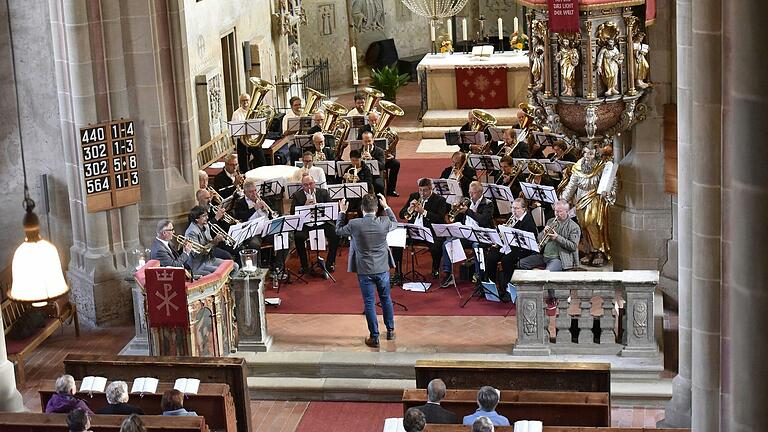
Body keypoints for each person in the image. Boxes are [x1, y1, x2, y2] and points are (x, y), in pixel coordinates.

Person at [336, 193, 398, 348]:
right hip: (382, 268)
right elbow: (395, 222)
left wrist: (342, 211)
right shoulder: (384, 221)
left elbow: (338, 230)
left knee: (369, 303)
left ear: (362, 208)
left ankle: (374, 337)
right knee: (386, 299)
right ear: (377, 208)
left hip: (364, 269)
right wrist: (387, 207)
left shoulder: (355, 224)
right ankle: (390, 331)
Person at [560, 145, 615, 266]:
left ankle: (599, 252)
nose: (587, 156)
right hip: (580, 199)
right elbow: (571, 186)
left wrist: (609, 193)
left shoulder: (601, 166)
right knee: (583, 225)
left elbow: (608, 184)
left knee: (592, 223)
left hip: (595, 198)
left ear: (595, 154)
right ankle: (588, 251)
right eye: (585, 153)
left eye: (590, 154)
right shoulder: (578, 167)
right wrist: (563, 200)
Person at [519, 199, 581, 306]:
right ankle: (532, 290)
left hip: (559, 258)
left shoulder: (573, 226)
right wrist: (543, 232)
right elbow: (539, 240)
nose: (557, 214)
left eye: (560, 211)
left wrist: (557, 237)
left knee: (547, 273)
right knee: (521, 263)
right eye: (555, 211)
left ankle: (553, 297)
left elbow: (573, 246)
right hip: (544, 255)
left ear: (567, 211)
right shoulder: (550, 221)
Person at [392, 178, 449, 282]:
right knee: (397, 242)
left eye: (425, 190)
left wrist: (424, 212)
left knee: (437, 246)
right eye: (420, 190)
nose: (422, 193)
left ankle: (435, 268)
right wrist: (409, 208)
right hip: (413, 231)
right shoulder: (414, 196)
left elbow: (440, 219)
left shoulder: (439, 200)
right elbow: (401, 214)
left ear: (431, 189)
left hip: (430, 232)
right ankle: (397, 272)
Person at [440, 181, 494, 288]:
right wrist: (456, 212)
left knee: (476, 246)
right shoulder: (468, 202)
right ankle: (448, 274)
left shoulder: (488, 204)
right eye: (469, 193)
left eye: (472, 193)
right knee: (448, 243)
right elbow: (460, 219)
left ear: (479, 192)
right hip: (466, 234)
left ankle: (479, 277)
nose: (470, 195)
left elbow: (483, 220)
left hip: (481, 236)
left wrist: (467, 211)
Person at [485, 198, 538, 301]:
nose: (513, 211)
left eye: (516, 208)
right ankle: (491, 285)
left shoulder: (528, 221)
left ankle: (506, 289)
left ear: (524, 209)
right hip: (508, 245)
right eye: (512, 208)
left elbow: (529, 241)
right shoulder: (511, 216)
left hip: (522, 249)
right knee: (491, 256)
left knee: (507, 260)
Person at [233, 178, 289, 277]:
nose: (254, 194)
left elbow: (275, 213)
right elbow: (239, 217)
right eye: (250, 192)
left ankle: (277, 267)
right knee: (254, 245)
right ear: (245, 192)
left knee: (284, 239)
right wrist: (254, 209)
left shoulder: (263, 199)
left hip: (267, 229)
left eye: (255, 190)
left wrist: (266, 210)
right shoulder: (240, 203)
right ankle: (258, 272)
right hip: (254, 232)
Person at [291, 174, 339, 276]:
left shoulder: (323, 193)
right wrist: (305, 206)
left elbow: (331, 209)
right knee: (298, 237)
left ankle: (330, 263)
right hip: (307, 224)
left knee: (335, 234)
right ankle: (304, 265)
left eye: (311, 184)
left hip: (322, 222)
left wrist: (319, 206)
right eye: (305, 185)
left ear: (315, 183)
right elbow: (293, 214)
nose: (309, 187)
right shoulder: (297, 196)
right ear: (302, 186)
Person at [184, 206, 239, 277]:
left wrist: (217, 240)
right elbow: (198, 253)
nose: (207, 218)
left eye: (207, 215)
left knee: (235, 266)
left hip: (210, 259)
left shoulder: (206, 226)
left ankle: (229, 286)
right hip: (199, 264)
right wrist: (214, 242)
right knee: (221, 273)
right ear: (197, 219)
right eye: (204, 216)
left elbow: (209, 243)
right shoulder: (191, 232)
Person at [358, 112, 400, 196]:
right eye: (371, 121)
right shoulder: (363, 129)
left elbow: (392, 142)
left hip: (382, 157)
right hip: (367, 157)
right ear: (368, 120)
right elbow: (358, 143)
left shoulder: (386, 129)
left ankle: (391, 189)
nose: (373, 123)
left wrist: (392, 155)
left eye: (375, 120)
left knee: (396, 164)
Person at [231, 93, 266, 170]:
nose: (245, 102)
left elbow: (261, 126)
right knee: (243, 164)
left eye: (247, 100)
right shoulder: (236, 114)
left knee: (261, 161)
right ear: (240, 102)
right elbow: (235, 130)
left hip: (254, 139)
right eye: (243, 100)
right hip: (242, 141)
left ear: (250, 100)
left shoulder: (256, 111)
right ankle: (245, 177)